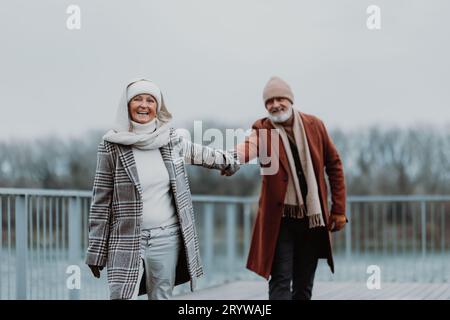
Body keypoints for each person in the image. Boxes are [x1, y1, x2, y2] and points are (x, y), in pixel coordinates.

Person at [85, 78, 240, 300]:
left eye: (150, 100)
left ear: (158, 107)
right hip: (126, 238)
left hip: (165, 237)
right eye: (137, 99)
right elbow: (101, 201)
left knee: (161, 296)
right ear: (126, 105)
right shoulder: (111, 145)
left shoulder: (170, 140)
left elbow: (205, 154)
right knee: (121, 296)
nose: (144, 105)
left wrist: (231, 161)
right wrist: (96, 250)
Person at [223, 76, 347, 300]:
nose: (275, 105)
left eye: (279, 98)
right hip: (280, 220)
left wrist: (338, 210)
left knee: (303, 284)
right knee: (280, 280)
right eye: (269, 101)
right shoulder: (262, 128)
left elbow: (334, 165)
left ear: (290, 100)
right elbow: (249, 145)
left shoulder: (314, 125)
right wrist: (232, 158)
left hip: (312, 218)